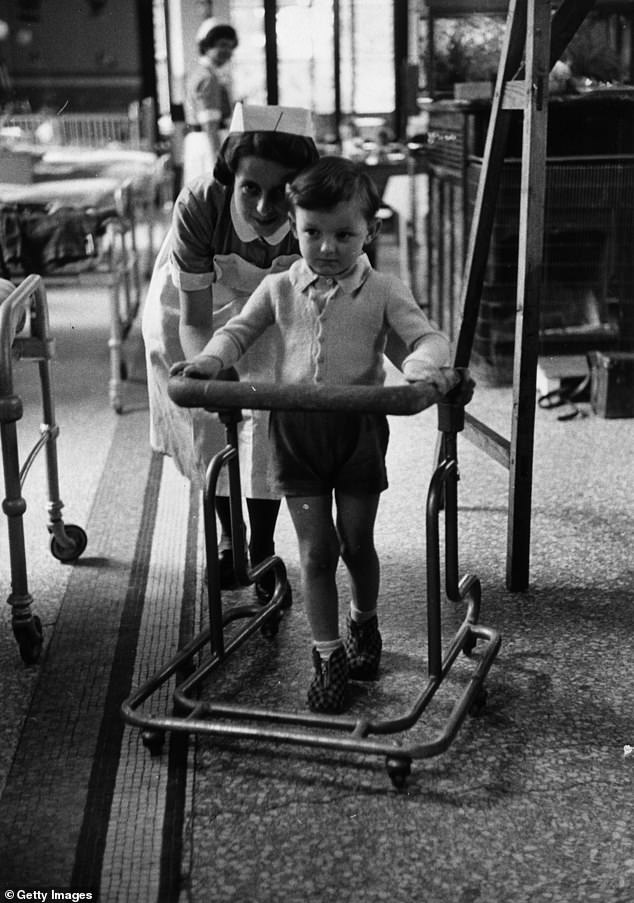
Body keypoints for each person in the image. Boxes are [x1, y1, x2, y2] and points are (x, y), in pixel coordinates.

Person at [170, 156, 454, 713]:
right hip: (294, 433)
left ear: (371, 231)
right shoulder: (278, 287)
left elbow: (429, 339)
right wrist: (207, 361)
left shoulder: (383, 290)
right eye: (312, 233)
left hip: (357, 431)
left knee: (355, 542)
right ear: (295, 227)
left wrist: (423, 370)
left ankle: (363, 624)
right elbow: (235, 332)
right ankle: (327, 656)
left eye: (344, 234)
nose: (327, 247)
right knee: (315, 551)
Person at [141, 102, 319, 602]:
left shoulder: (318, 211)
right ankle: (229, 536)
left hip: (276, 306)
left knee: (271, 409)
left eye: (282, 191)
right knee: (208, 414)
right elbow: (196, 321)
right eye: (250, 189)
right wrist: (213, 377)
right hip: (199, 305)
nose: (266, 207)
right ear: (229, 179)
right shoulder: (200, 205)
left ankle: (261, 544)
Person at [183, 18, 238, 185]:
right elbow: (210, 124)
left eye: (230, 46)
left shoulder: (202, 72)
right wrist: (218, 158)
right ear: (207, 46)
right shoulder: (208, 77)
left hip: (200, 140)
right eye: (222, 45)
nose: (227, 51)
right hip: (208, 141)